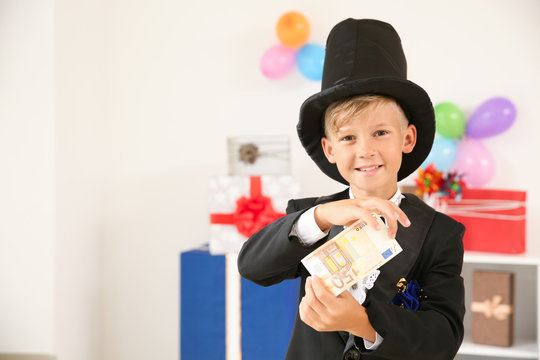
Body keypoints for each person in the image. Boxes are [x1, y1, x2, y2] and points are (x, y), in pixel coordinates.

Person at [238, 18, 465, 360]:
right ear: (330, 149)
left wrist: (364, 323)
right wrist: (322, 215)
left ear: (408, 138)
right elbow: (252, 267)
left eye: (380, 133)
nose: (365, 151)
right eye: (348, 137)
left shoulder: (439, 234)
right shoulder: (312, 219)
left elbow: (444, 339)